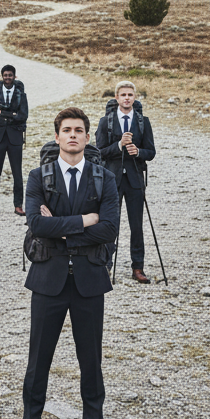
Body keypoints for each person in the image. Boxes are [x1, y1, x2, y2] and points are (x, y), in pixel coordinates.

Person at [18, 107, 120, 419]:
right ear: (57, 136)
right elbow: (36, 225)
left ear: (88, 138)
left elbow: (109, 229)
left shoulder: (105, 178)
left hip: (90, 279)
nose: (73, 135)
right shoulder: (38, 177)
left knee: (91, 361)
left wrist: (60, 226)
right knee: (38, 360)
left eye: (79, 130)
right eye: (67, 130)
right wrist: (85, 220)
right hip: (49, 278)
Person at [95, 80, 156, 284]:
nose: (127, 98)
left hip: (135, 179)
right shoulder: (106, 122)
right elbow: (99, 152)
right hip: (112, 179)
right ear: (117, 98)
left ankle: (138, 267)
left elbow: (151, 152)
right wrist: (119, 145)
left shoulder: (143, 121)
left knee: (136, 225)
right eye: (123, 95)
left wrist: (138, 152)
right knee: (110, 223)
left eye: (130, 95)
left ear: (134, 97)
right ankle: (105, 264)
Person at [0, 64, 28, 216]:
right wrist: (12, 116)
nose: (8, 78)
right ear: (2, 76)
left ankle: (18, 206)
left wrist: (2, 115)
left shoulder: (21, 95)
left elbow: (23, 116)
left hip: (15, 138)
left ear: (14, 76)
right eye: (5, 75)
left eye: (10, 75)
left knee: (17, 173)